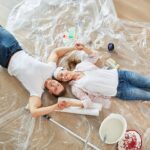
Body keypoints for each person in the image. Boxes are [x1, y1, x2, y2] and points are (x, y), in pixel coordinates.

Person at [0, 26, 81, 118]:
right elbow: (56, 53)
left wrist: (55, 106)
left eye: (55, 89)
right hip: (14, 47)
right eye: (58, 85)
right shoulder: (51, 69)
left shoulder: (37, 91)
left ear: (50, 92)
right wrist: (73, 48)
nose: (54, 85)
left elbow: (34, 112)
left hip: (5, 58)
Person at [53, 43, 150, 109]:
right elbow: (87, 102)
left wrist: (84, 48)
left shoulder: (81, 66)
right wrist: (71, 103)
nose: (63, 77)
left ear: (64, 69)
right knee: (147, 95)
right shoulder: (75, 88)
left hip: (120, 74)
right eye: (61, 79)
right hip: (120, 90)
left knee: (147, 81)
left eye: (61, 74)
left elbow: (94, 56)